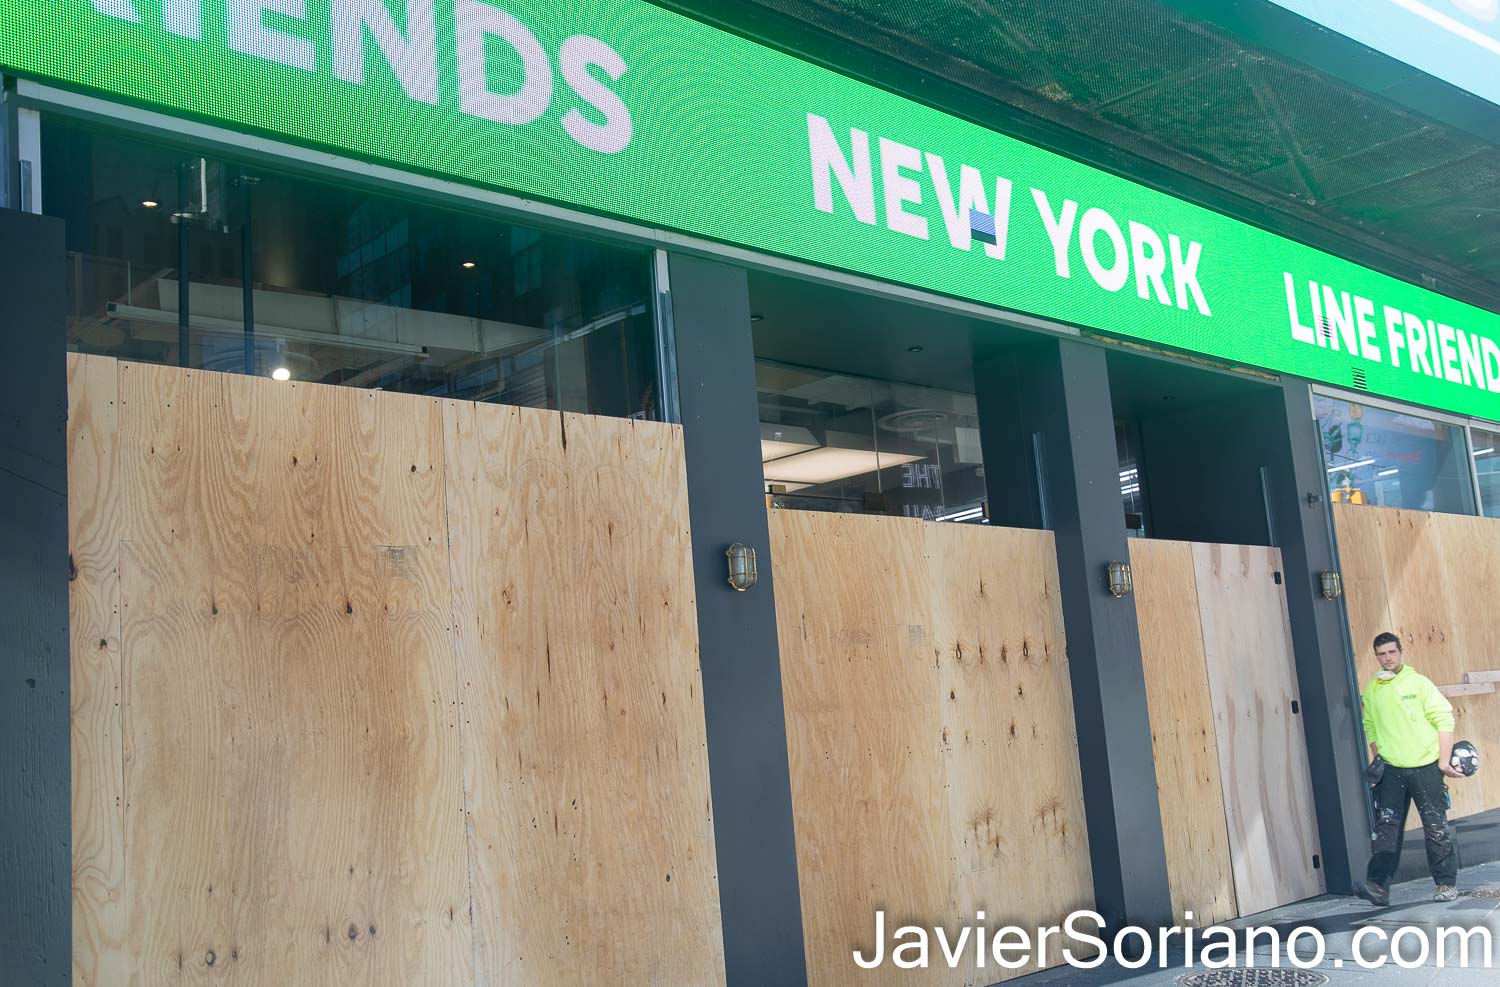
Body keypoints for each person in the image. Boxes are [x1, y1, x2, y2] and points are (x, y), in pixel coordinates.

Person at [1353, 632, 1465, 905]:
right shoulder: (1372, 688)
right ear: (1376, 656)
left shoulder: (1418, 683)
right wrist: (1379, 756)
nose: (1387, 657)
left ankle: (1445, 885)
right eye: (1382, 654)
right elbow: (1370, 726)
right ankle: (1378, 886)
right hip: (1391, 771)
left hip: (1426, 767)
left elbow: (1444, 718)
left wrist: (1443, 760)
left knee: (1435, 827)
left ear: (1401, 652)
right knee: (1386, 829)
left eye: (1392, 652)